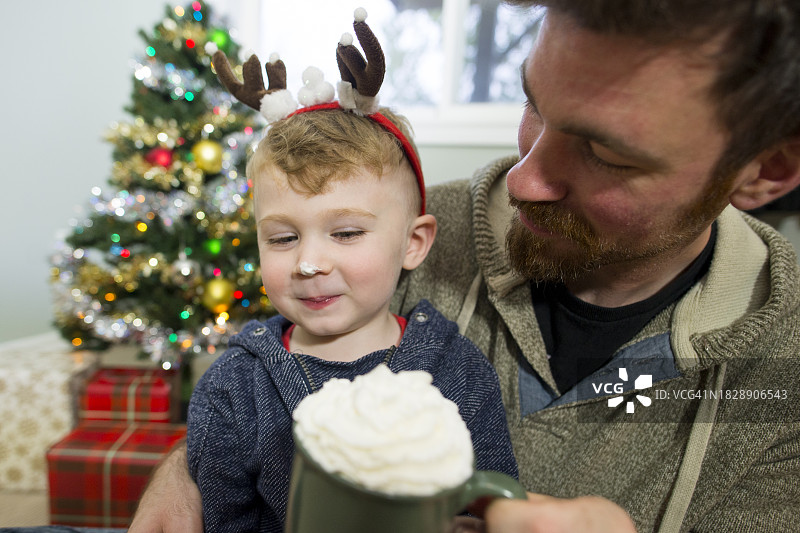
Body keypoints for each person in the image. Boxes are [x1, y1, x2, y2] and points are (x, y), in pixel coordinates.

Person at [130, 0, 800, 532]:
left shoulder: (786, 366)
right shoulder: (389, 238)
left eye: (608, 154)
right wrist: (190, 460)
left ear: (766, 170)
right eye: (534, 104)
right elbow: (282, 357)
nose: (526, 177)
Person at [184, 13, 518, 533]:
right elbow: (223, 520)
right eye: (282, 237)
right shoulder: (234, 388)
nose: (309, 262)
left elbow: (495, 502)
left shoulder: (458, 371)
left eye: (345, 233)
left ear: (413, 243)